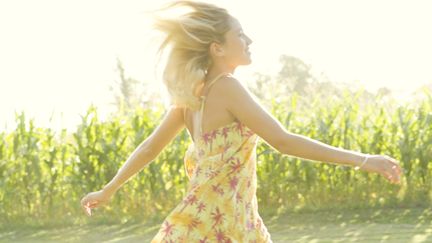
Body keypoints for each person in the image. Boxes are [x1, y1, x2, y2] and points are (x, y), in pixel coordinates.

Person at [80, 1, 403, 242]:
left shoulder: (192, 95)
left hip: (214, 223)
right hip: (219, 226)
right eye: (240, 34)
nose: (249, 40)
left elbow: (151, 147)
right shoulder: (227, 88)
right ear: (217, 47)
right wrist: (363, 160)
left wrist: (110, 189)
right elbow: (283, 140)